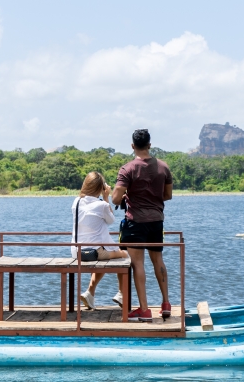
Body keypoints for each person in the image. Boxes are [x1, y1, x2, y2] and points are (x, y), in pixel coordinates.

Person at [111, 129, 173, 322]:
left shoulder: (127, 169)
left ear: (132, 146)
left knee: (138, 264)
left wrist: (130, 195)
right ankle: (166, 303)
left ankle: (144, 309)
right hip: (156, 221)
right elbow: (168, 195)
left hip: (135, 222)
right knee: (158, 261)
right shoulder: (163, 168)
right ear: (149, 145)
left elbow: (115, 198)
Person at [72, 172, 129, 310]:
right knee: (125, 255)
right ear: (100, 188)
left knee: (105, 256)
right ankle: (121, 294)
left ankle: (90, 293)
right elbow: (111, 220)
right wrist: (106, 197)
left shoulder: (76, 202)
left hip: (77, 251)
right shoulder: (101, 205)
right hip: (95, 252)